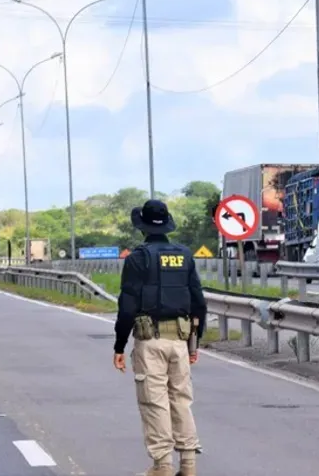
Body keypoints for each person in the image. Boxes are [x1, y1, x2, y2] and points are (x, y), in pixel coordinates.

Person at [112, 199, 207, 476]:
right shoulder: (185, 255)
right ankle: (188, 466)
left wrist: (119, 345)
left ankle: (162, 467)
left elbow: (127, 306)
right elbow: (198, 301)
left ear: (142, 226)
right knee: (181, 401)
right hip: (180, 341)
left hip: (149, 341)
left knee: (154, 402)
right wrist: (194, 342)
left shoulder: (137, 258)